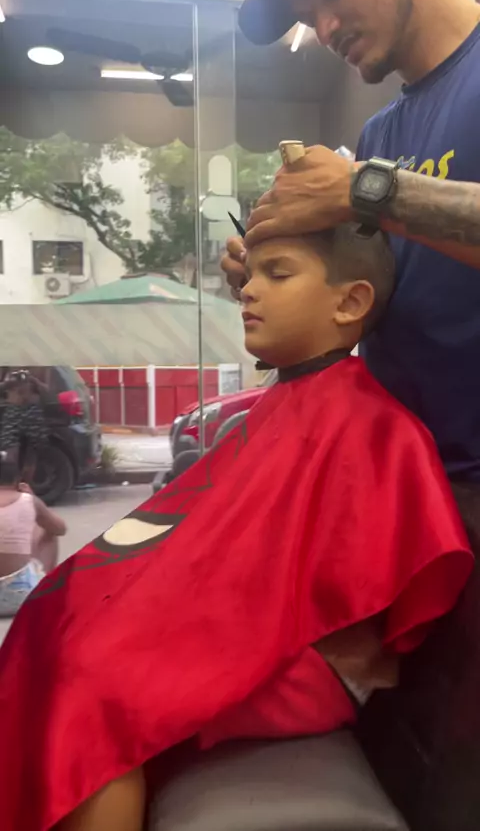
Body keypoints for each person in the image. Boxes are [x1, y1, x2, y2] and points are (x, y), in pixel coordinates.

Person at [0, 225, 473, 831]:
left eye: (277, 273)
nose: (247, 290)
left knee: (88, 686)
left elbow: (353, 604)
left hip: (308, 664)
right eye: (250, 275)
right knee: (50, 619)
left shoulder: (377, 429)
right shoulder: (281, 405)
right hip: (253, 633)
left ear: (350, 301)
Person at [223, 0, 480, 481]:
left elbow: (372, 193)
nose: (324, 29)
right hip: (409, 482)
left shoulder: (366, 176)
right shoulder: (379, 135)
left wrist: (366, 191)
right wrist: (277, 276)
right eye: (307, 18)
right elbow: (367, 297)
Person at [0, 442, 66, 618]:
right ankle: (46, 587)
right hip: (24, 599)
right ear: (17, 481)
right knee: (48, 529)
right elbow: (61, 529)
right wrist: (33, 499)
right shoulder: (28, 501)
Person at [0, 368, 50, 484]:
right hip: (13, 411)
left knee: (33, 452)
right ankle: (13, 484)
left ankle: (25, 484)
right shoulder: (7, 366)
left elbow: (47, 391)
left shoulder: (41, 368)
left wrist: (34, 381)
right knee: (10, 453)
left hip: (32, 411)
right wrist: (9, 383)